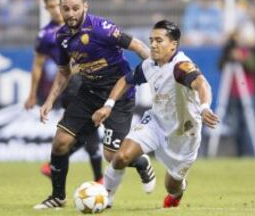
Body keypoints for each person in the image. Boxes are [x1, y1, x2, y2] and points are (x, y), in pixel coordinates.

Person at [34, 0, 155, 210]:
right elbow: (64, 71)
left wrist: (158, 71)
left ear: (85, 7)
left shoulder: (102, 28)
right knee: (60, 142)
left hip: (119, 94)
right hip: (89, 92)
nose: (70, 13)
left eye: (75, 8)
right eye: (66, 9)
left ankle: (141, 162)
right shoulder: (61, 37)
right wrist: (49, 101)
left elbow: (137, 46)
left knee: (112, 156)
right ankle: (57, 197)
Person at [92, 20, 219, 208]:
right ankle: (105, 200)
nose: (152, 44)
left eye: (159, 40)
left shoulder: (180, 66)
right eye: (151, 40)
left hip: (184, 134)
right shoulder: (150, 64)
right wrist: (108, 105)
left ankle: (177, 192)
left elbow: (202, 84)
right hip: (156, 123)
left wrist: (205, 107)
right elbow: (126, 81)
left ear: (173, 45)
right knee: (121, 157)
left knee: (172, 186)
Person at [24, 0, 103, 184]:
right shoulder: (47, 35)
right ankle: (99, 179)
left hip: (94, 83)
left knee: (88, 131)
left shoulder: (87, 26)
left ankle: (61, 166)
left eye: (57, 6)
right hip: (72, 88)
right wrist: (32, 94)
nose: (55, 11)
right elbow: (38, 66)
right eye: (51, 7)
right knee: (89, 131)